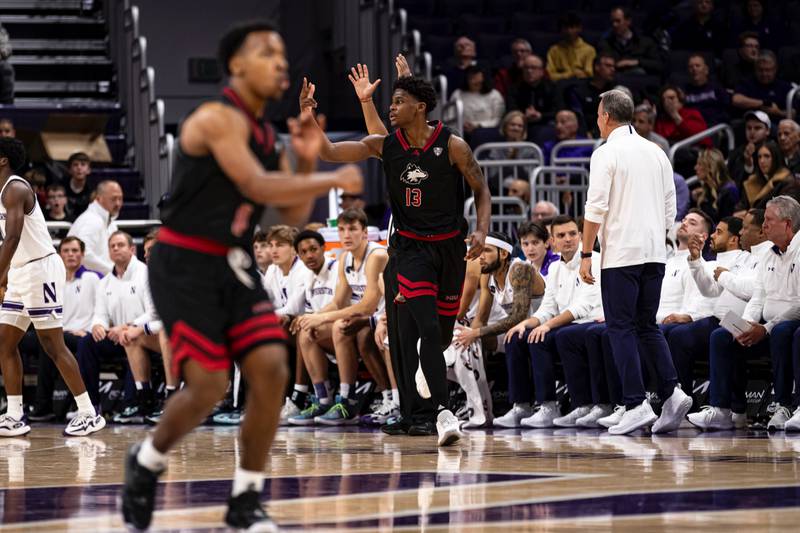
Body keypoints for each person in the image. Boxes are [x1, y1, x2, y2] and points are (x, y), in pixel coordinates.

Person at [120, 20, 362, 531]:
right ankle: (147, 460)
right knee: (207, 386)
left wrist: (300, 163)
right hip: (184, 262)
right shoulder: (215, 118)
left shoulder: (266, 135)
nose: (280, 61)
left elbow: (289, 216)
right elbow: (253, 181)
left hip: (232, 261)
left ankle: (246, 497)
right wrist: (331, 174)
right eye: (265, 52)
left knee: (272, 368)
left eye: (282, 52)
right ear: (236, 65)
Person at [304, 72, 490, 445]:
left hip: (450, 247)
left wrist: (482, 230)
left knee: (437, 335)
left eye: (398, 101)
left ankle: (429, 370)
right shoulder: (384, 145)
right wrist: (308, 115)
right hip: (410, 249)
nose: (391, 107)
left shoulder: (452, 146)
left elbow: (481, 189)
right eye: (390, 102)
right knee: (426, 328)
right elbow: (328, 152)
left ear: (419, 108)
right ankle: (443, 413)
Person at [579, 89, 691, 435]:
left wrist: (585, 253)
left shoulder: (606, 152)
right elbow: (671, 207)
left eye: (598, 114)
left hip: (621, 256)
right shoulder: (657, 151)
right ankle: (672, 393)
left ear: (607, 117)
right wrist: (657, 238)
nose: (597, 120)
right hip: (656, 252)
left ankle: (635, 402)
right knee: (647, 326)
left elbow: (595, 207)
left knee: (621, 328)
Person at [0, 137, 105, 438]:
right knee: (5, 342)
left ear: (2, 160)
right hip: (20, 271)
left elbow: (13, 239)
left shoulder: (16, 188)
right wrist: (6, 277)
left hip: (40, 269)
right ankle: (14, 415)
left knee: (52, 344)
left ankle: (88, 413)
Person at [688, 196, 800, 431]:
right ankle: (723, 410)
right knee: (723, 335)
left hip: (790, 324)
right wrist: (747, 325)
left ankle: (784, 404)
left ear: (787, 224)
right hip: (769, 325)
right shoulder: (768, 254)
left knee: (782, 332)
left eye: (769, 220)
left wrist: (765, 329)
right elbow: (758, 296)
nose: (764, 226)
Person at [290, 208, 389, 426]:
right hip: (358, 320)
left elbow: (368, 305)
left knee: (338, 327)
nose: (346, 235)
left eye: (352, 229)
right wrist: (314, 317)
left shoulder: (377, 256)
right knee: (307, 331)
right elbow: (338, 301)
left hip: (380, 318)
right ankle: (324, 399)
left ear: (365, 232)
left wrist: (324, 318)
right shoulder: (345, 258)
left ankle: (348, 400)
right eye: (342, 229)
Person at [501, 216, 603, 428]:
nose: (568, 239)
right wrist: (527, 323)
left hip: (592, 321)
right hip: (568, 325)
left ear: (581, 237)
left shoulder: (593, 259)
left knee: (550, 336)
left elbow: (582, 307)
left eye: (573, 234)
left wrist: (546, 325)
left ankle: (575, 405)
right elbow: (548, 307)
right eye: (561, 235)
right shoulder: (556, 268)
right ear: (553, 241)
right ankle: (523, 406)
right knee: (517, 337)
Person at [27, 236, 101, 422]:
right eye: (66, 251)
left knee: (50, 345)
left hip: (84, 335)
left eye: (75, 251)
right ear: (59, 255)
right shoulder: (53, 281)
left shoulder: (93, 278)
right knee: (16, 341)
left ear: (82, 254)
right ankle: (21, 404)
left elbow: (102, 309)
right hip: (60, 333)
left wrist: (91, 329)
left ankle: (43, 406)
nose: (70, 255)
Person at [279, 230, 339, 424]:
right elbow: (293, 307)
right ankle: (322, 399)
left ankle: (320, 397)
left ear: (324, 248)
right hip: (323, 327)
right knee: (300, 327)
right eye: (304, 252)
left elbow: (340, 305)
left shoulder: (336, 269)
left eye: (313, 249)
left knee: (305, 330)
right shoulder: (308, 275)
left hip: (343, 325)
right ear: (299, 255)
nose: (309, 255)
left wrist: (311, 317)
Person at [66, 180, 123, 275]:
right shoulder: (91, 220)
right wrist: (111, 270)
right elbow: (84, 254)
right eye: (113, 199)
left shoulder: (110, 223)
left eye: (120, 199)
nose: (118, 204)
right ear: (99, 198)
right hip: (84, 281)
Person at [597, 6, 664, 77]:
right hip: (615, 80)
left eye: (618, 21)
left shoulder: (645, 42)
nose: (614, 25)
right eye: (612, 21)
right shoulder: (605, 43)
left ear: (628, 21)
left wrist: (637, 62)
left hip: (639, 82)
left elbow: (659, 65)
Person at [733, 51, 793, 120]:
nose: (764, 74)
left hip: (776, 124)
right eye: (760, 70)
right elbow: (736, 100)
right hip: (749, 123)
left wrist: (778, 112)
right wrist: (763, 103)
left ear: (775, 70)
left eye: (768, 70)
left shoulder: (784, 86)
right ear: (755, 69)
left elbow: (793, 113)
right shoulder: (747, 82)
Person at [506, 55, 557, 136]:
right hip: (521, 125)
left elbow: (557, 111)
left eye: (533, 68)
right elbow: (510, 110)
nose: (529, 71)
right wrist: (523, 116)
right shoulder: (514, 89)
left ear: (542, 71)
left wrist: (540, 116)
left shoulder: (553, 88)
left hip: (546, 123)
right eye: (526, 68)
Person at [567, 53, 616, 138]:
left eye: (613, 66)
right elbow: (578, 115)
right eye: (608, 66)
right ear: (597, 67)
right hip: (583, 135)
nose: (613, 69)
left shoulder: (614, 91)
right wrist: (586, 133)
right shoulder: (579, 90)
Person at [741, 141, 797, 210]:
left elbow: (782, 212)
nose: (762, 161)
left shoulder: (787, 182)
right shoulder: (752, 181)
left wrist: (750, 214)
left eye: (767, 156)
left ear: (775, 158)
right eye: (759, 157)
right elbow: (741, 206)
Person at [449, 66, 505, 136]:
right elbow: (450, 118)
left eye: (477, 82)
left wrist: (478, 125)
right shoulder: (457, 94)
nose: (472, 82)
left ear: (483, 80)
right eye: (470, 79)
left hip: (487, 132)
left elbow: (498, 120)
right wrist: (462, 126)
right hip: (461, 132)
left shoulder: (495, 95)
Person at [683, 53, 731, 127]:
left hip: (714, 127)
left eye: (697, 66)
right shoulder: (684, 91)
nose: (694, 69)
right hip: (693, 129)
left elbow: (727, 110)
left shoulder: (716, 88)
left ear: (706, 70)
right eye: (690, 67)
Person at [546, 12, 596, 82]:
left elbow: (589, 74)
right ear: (561, 29)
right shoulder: (553, 50)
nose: (569, 31)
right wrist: (571, 74)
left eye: (572, 27)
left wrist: (561, 75)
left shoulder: (589, 50)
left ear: (579, 28)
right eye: (566, 28)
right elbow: (550, 75)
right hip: (558, 86)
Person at [693, 148, 740, 221]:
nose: (695, 168)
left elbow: (725, 224)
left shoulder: (729, 191)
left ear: (710, 167)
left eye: (699, 164)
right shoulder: (706, 189)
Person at [728, 110, 771, 188]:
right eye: (749, 128)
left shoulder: (774, 152)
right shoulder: (737, 153)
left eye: (757, 128)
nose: (752, 132)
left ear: (767, 131)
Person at [63, 152, 93, 216]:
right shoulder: (61, 187)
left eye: (83, 164)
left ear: (89, 170)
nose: (79, 168)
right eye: (75, 165)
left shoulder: (93, 190)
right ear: (69, 170)